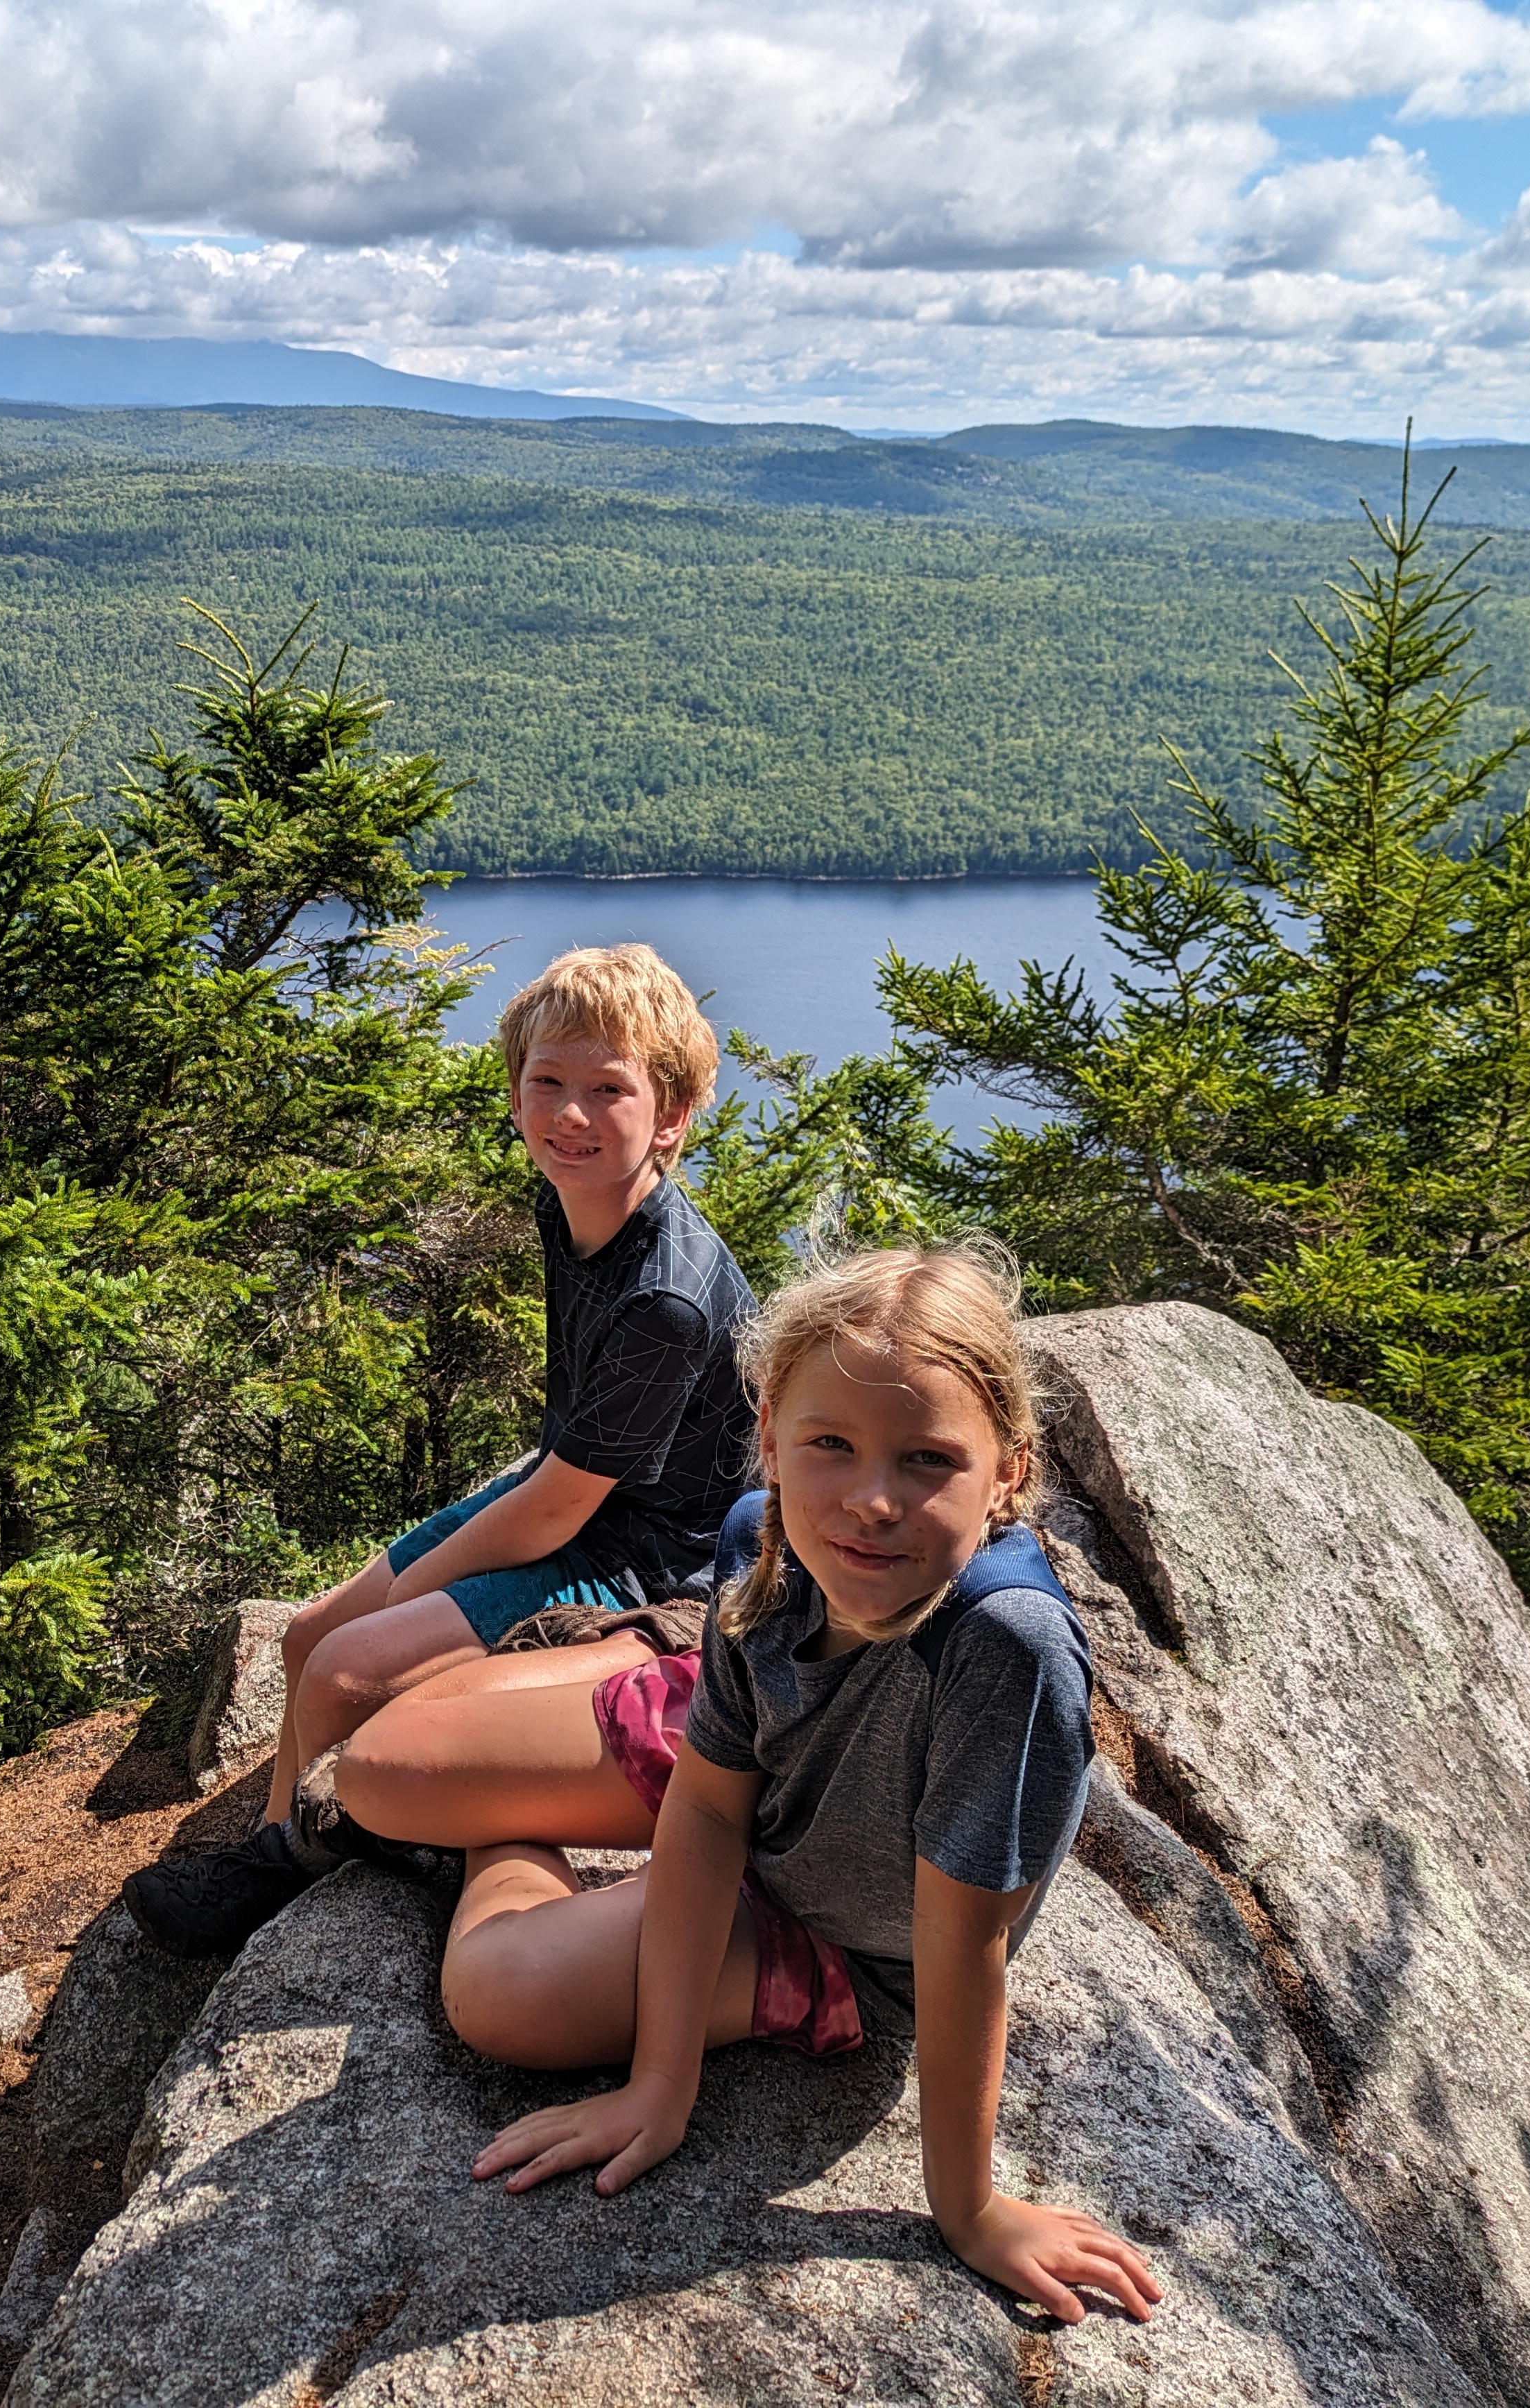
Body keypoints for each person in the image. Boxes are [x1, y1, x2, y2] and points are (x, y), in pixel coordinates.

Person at [445, 1243, 1166, 2331]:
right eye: (832, 1444)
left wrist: (970, 2211)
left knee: (499, 1994)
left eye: (929, 1460)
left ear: (1008, 1472)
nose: (873, 1500)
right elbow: (705, 1807)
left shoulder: (1003, 1644)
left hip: (843, 1942)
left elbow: (959, 1940)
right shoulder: (765, 1535)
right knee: (388, 1771)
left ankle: (500, 1848)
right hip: (763, 1790)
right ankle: (598, 1708)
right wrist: (661, 2079)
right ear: (772, 1432)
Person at [124, 943, 756, 1958]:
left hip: (647, 1555)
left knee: (348, 1667)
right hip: (579, 1499)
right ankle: (277, 1847)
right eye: (546, 1083)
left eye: (609, 1089)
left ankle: (292, 1862)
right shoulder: (572, 1202)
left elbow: (556, 1512)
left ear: (672, 1114)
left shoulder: (666, 1300)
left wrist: (415, 1590)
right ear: (514, 1094)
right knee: (306, 1640)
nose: (571, 1115)